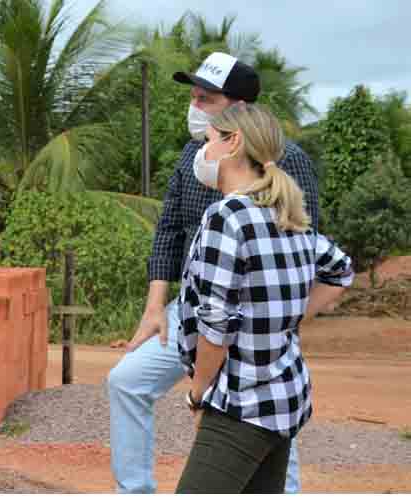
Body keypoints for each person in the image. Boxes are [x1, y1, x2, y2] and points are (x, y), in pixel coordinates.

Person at [107, 52, 320, 494]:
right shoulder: (192, 155)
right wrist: (153, 308)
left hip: (249, 322)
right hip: (193, 309)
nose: (194, 104)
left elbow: (308, 247)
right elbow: (168, 229)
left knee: (263, 412)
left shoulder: (286, 159)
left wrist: (283, 322)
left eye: (205, 98)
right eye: (193, 95)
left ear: (238, 109)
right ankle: (134, 490)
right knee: (125, 381)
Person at [175, 103, 353, 493]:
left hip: (240, 402)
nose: (201, 154)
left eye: (208, 141)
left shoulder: (227, 216)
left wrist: (198, 393)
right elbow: (341, 270)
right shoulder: (286, 215)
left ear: (232, 142)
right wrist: (288, 320)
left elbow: (217, 321)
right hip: (284, 397)